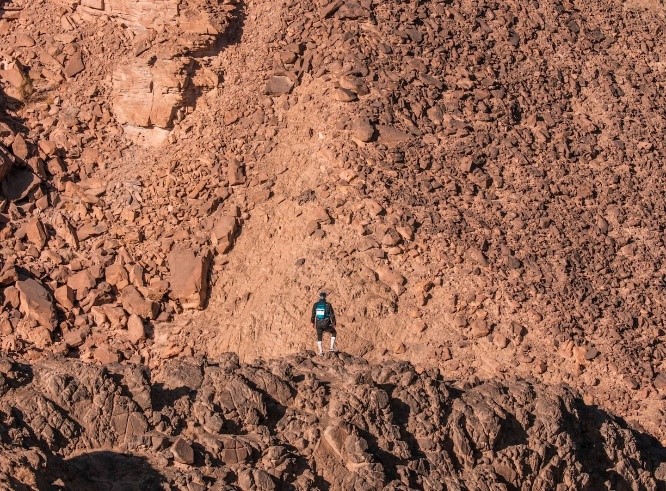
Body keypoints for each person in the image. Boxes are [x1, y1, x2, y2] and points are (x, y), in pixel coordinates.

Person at [311, 292, 337, 356]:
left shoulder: (315, 305)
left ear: (319, 296)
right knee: (334, 332)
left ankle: (321, 352)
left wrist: (312, 322)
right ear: (325, 297)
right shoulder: (328, 305)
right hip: (326, 324)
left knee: (319, 336)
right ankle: (331, 348)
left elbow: (313, 314)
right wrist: (334, 323)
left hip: (318, 324)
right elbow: (332, 315)